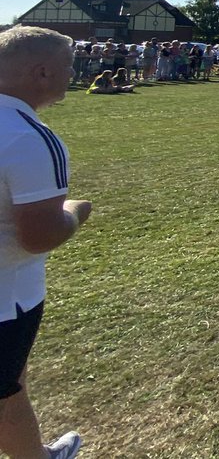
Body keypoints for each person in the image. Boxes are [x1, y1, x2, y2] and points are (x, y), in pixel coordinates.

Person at [0, 26, 91, 459]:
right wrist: (74, 213)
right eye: (68, 66)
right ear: (41, 73)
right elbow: (39, 235)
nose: (72, 74)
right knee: (7, 391)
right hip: (6, 298)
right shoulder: (29, 137)